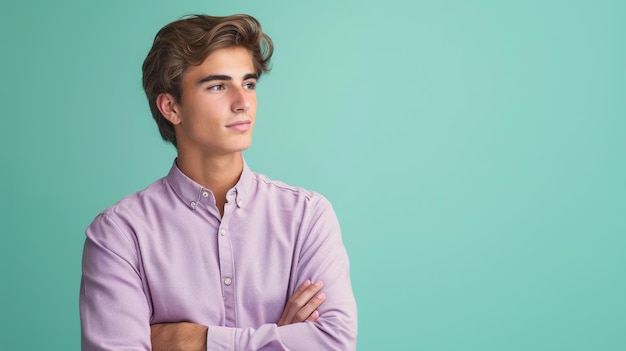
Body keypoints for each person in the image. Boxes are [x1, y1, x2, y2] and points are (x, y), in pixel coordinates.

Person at [79, 14, 357, 351]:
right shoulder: (119, 235)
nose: (243, 102)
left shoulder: (308, 217)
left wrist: (194, 341)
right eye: (218, 86)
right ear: (171, 107)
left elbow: (333, 343)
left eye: (249, 84)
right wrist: (277, 337)